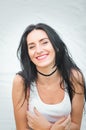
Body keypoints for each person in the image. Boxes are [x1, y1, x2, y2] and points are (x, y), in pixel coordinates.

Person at [12, 23, 86, 130]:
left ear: (56, 46)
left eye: (44, 43)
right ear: (28, 54)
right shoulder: (21, 81)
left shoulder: (74, 77)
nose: (38, 50)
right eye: (32, 47)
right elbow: (21, 128)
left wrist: (47, 128)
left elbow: (76, 125)